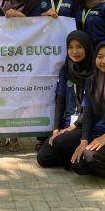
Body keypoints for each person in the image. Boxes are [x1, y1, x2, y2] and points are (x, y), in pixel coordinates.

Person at [50, 41, 105, 180]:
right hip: (96, 133)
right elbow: (88, 114)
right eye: (100, 56)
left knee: (89, 156)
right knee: (74, 163)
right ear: (95, 58)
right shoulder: (91, 80)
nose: (104, 61)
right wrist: (84, 140)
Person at [0, 0, 41, 151]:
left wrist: (21, 17)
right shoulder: (1, 0)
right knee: (2, 95)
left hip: (23, 59)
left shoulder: (33, 1)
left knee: (18, 96)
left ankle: (14, 135)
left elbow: (39, 28)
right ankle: (1, 132)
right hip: (2, 57)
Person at [37, 30, 94, 168]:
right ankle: (75, 156)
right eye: (70, 47)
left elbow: (93, 108)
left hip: (84, 126)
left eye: (79, 47)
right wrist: (56, 129)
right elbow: (60, 100)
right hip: (67, 125)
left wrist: (72, 127)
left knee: (60, 144)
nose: (74, 51)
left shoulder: (95, 73)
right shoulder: (65, 70)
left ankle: (76, 159)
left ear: (87, 47)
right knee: (43, 159)